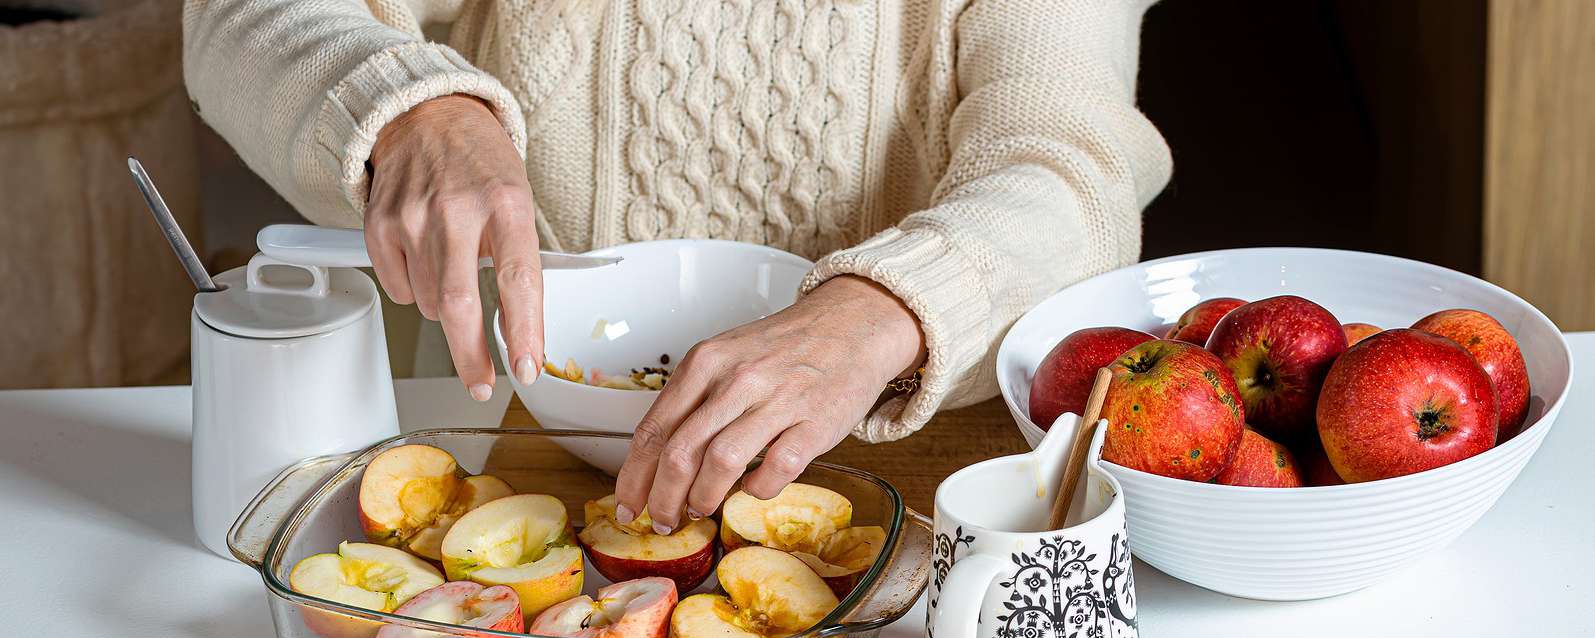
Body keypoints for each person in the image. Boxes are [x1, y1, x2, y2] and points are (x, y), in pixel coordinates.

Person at [183, 0, 1170, 533]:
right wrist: (416, 110)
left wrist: (886, 306)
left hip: (919, 463)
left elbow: (1067, 163)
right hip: (553, 445)